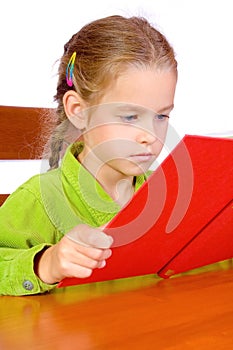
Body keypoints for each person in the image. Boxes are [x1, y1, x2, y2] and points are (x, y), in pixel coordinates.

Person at [0, 15, 177, 295]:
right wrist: (46, 263)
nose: (151, 135)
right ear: (79, 111)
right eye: (130, 117)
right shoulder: (40, 198)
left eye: (161, 116)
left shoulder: (170, 192)